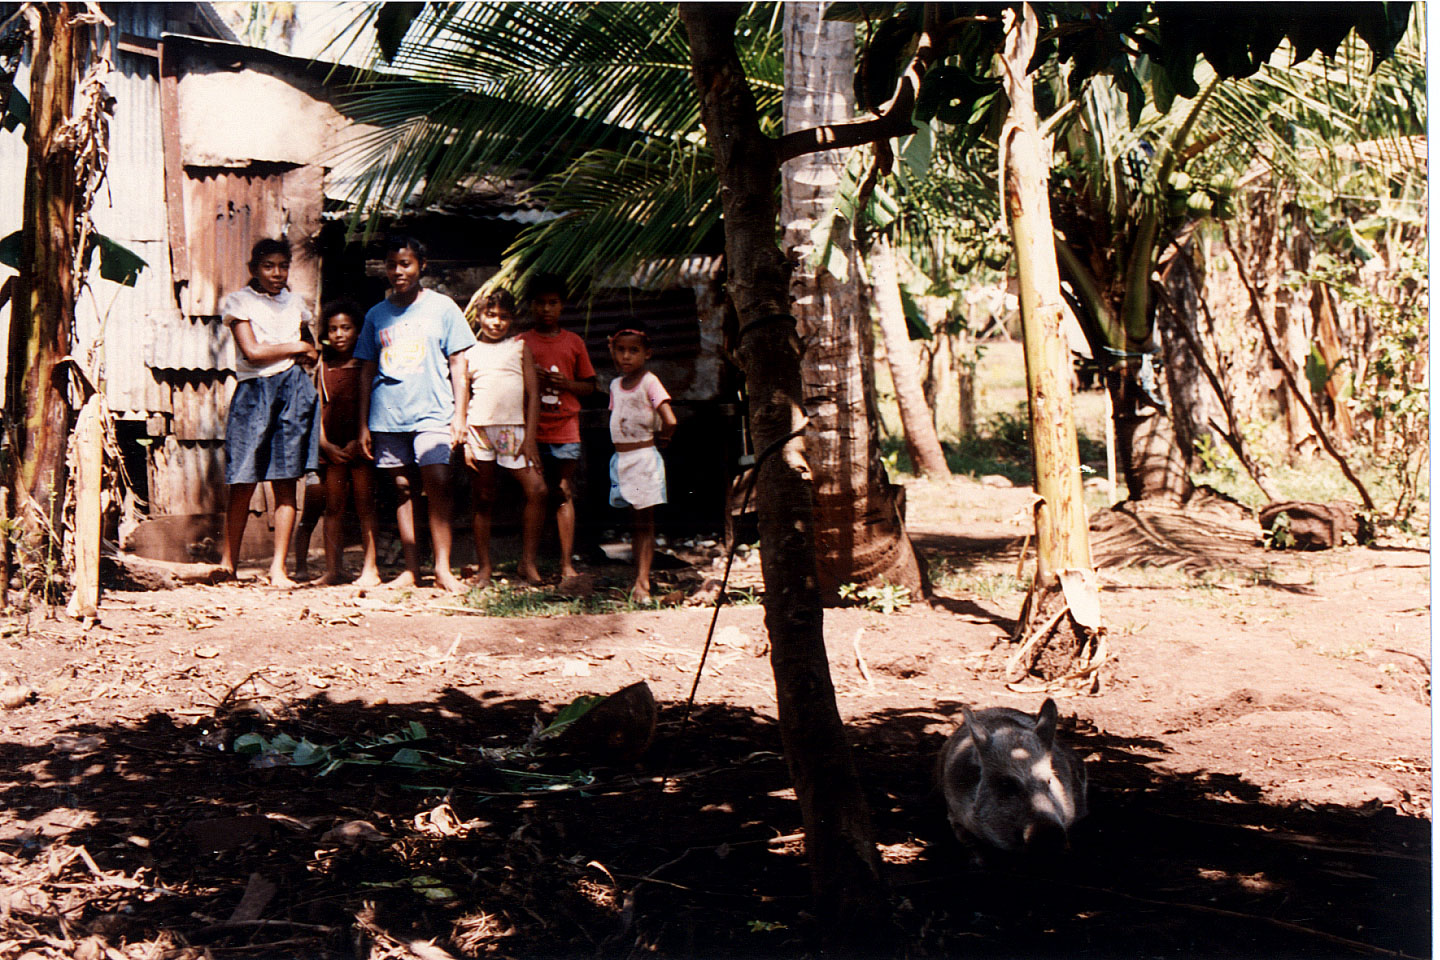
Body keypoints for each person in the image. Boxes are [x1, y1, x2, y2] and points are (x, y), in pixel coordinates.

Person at [355, 236, 475, 592]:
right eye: (392, 264)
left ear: (421, 265)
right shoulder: (377, 314)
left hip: (434, 411)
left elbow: (458, 363)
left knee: (437, 478)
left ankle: (442, 568)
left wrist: (460, 416)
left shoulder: (443, 308)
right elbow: (366, 370)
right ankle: (410, 570)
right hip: (388, 414)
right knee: (402, 488)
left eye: (405, 264)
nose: (398, 271)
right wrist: (363, 423)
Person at [218, 237, 320, 587]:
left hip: (292, 390)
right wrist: (297, 346)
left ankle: (279, 567)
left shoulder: (296, 303)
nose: (277, 273)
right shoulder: (239, 302)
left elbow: (313, 352)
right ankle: (228, 563)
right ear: (254, 269)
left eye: (282, 266)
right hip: (254, 393)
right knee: (243, 481)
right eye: (268, 266)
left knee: (286, 480)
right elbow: (252, 352)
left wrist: (303, 349)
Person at [460, 288, 547, 587]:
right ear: (479, 316)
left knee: (537, 490)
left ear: (512, 319)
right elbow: (461, 395)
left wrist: (531, 437)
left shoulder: (519, 347)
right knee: (483, 498)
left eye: (504, 317)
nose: (496, 322)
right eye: (491, 315)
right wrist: (463, 439)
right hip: (479, 430)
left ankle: (528, 562)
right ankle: (485, 568)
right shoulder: (468, 352)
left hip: (514, 430)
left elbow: (534, 394)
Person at [294, 300, 382, 586]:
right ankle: (334, 570)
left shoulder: (365, 365)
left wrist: (361, 438)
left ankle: (371, 570)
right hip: (332, 447)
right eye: (333, 329)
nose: (339, 334)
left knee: (365, 505)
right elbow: (317, 404)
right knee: (333, 507)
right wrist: (323, 443)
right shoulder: (323, 365)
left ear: (358, 331)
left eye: (346, 328)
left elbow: (371, 404)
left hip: (360, 445)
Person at [517, 274, 596, 589]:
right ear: (531, 306)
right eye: (540, 303)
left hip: (565, 427)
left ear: (562, 306)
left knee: (563, 491)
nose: (546, 309)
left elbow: (590, 386)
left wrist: (565, 384)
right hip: (532, 430)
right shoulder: (521, 343)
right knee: (535, 494)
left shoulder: (573, 342)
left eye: (552, 303)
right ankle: (529, 561)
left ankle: (566, 563)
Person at [606, 318, 676, 602]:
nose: (626, 356)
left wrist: (664, 438)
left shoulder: (650, 382)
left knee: (644, 523)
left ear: (647, 353)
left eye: (633, 350)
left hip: (643, 458)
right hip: (623, 459)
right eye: (620, 350)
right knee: (635, 523)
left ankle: (643, 583)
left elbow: (669, 419)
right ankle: (639, 578)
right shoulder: (614, 385)